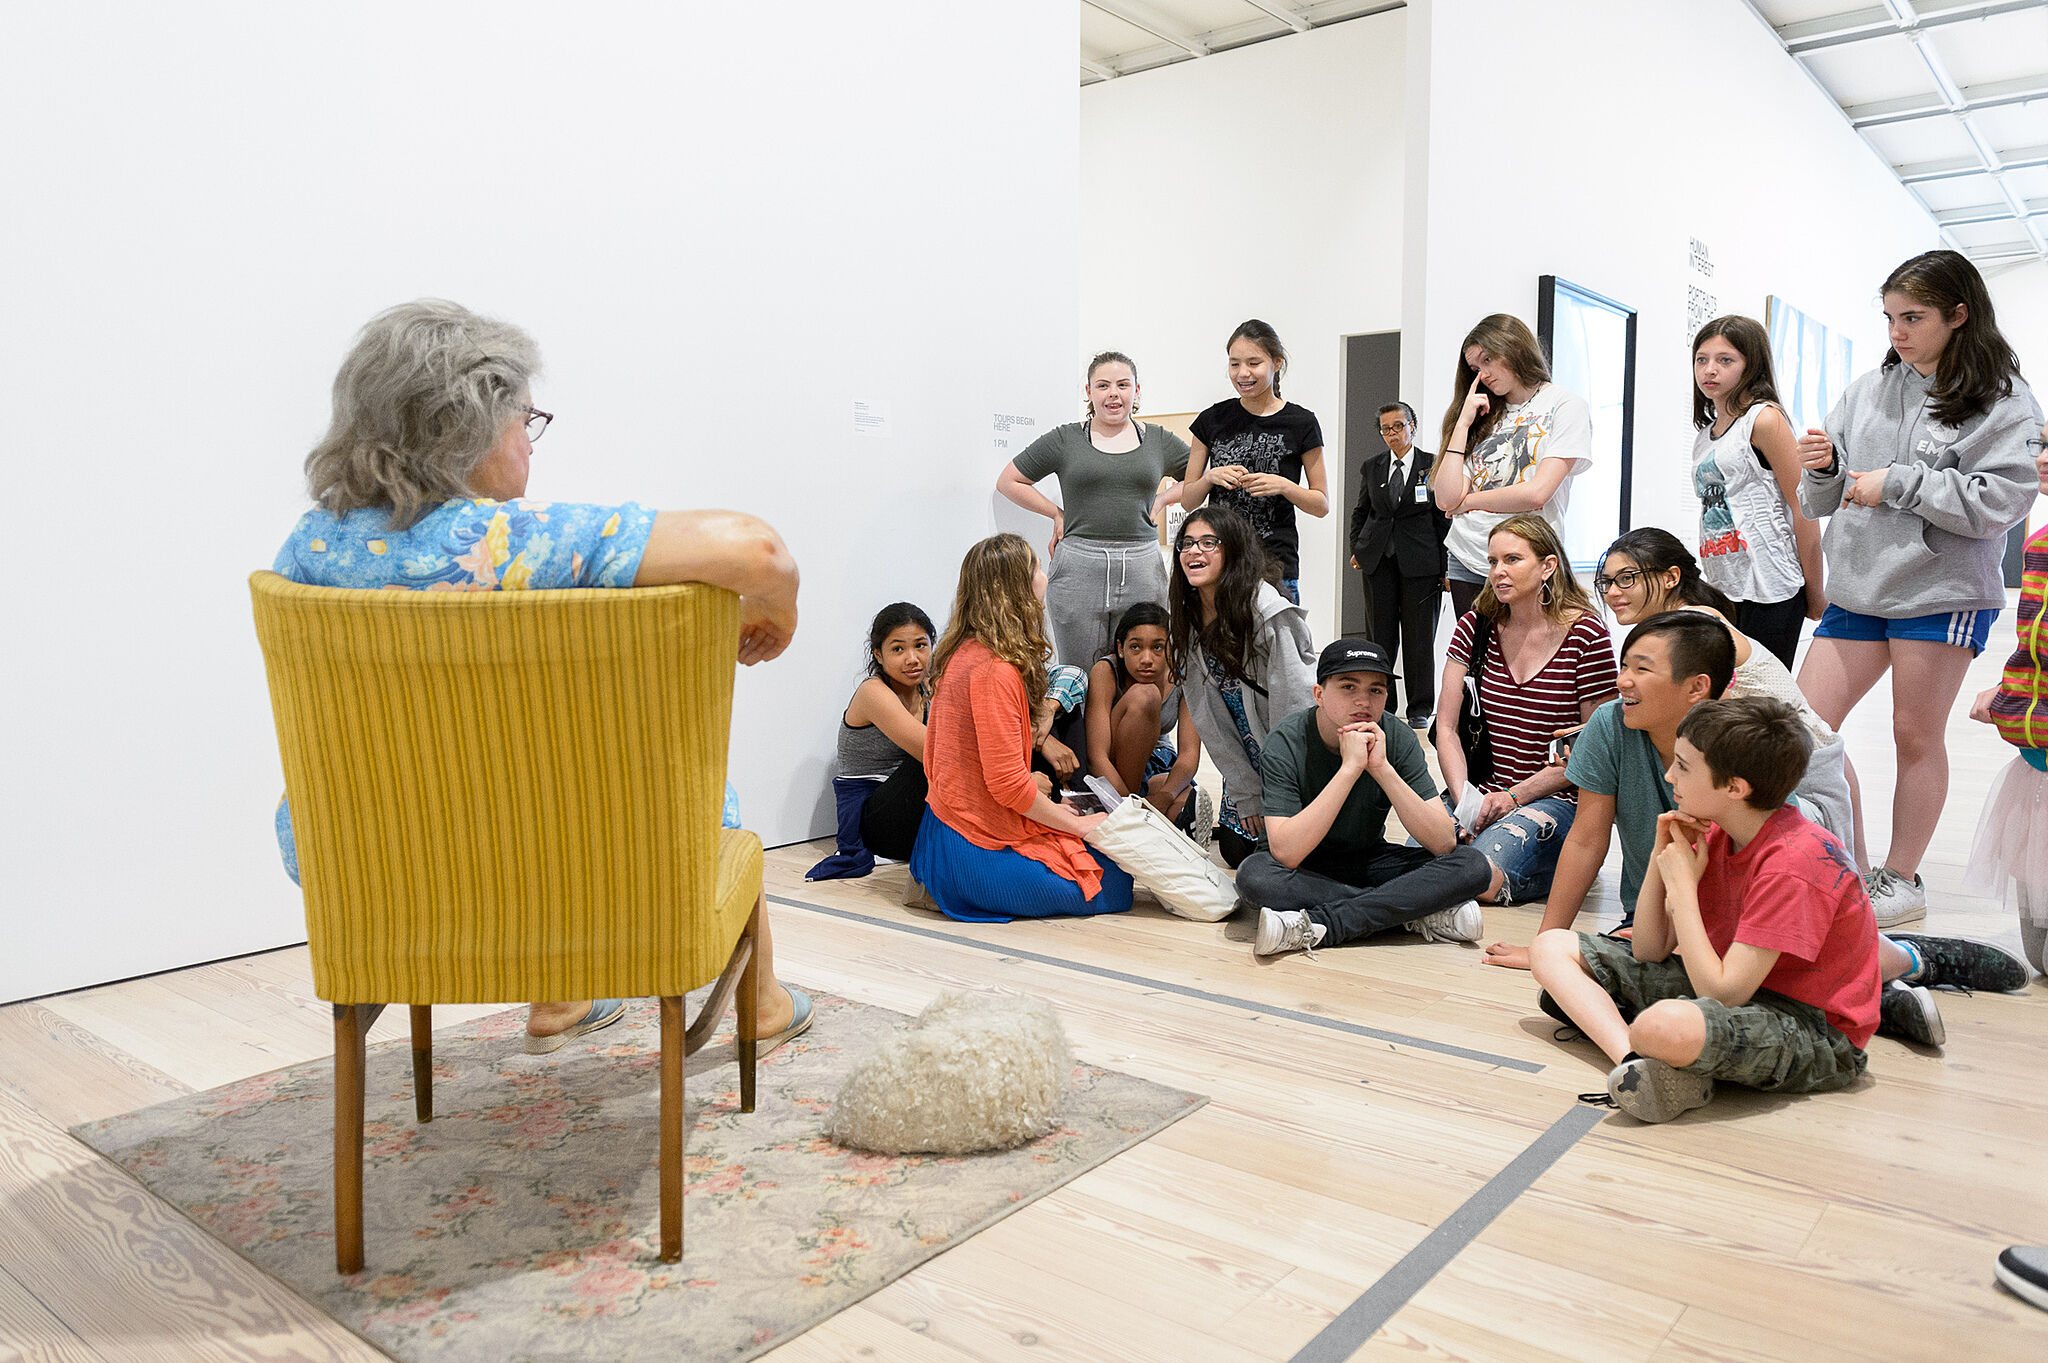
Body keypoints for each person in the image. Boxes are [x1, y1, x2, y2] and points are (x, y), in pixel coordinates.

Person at [271, 299, 809, 1054]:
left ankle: (559, 999)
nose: (530, 438)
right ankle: (763, 1003)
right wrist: (775, 620)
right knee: (665, 776)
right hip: (561, 860)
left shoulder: (310, 547)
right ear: (472, 424)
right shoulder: (516, 543)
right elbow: (760, 555)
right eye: (526, 419)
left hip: (372, 865)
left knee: (471, 755)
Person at [1499, 610, 2020, 1041]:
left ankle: (1901, 964)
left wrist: (1683, 901)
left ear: (1696, 687)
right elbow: (1588, 839)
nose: (1623, 681)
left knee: (1785, 969)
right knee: (1569, 995)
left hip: (1751, 919)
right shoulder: (1611, 726)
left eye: (1641, 668)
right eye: (1624, 665)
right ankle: (1873, 994)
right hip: (1678, 915)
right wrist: (1550, 937)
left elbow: (1772, 869)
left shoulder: (1738, 742)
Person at [1795, 249, 2042, 928]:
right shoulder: (1871, 389)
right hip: (1859, 586)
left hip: (1942, 592)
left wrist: (1897, 481)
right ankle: (1853, 868)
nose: (1897, 332)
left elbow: (2004, 500)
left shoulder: (2006, 400)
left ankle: (1901, 877)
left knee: (1914, 735)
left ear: (1959, 315)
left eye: (1913, 317)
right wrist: (1823, 470)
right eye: (1890, 317)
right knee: (1802, 728)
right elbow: (1823, 495)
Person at [1528, 697, 1880, 1123]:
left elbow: (1723, 993)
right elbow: (1647, 949)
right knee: (1550, 948)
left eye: (1684, 767)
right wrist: (1663, 857)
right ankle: (1636, 1062)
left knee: (1659, 1025)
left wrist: (1682, 890)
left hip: (1813, 1027)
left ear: (1734, 787)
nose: (1669, 775)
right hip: (1735, 988)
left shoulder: (1793, 861)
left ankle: (1652, 1052)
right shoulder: (1718, 827)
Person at [908, 534, 1134, 922]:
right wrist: (1075, 824)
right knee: (1115, 884)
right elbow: (1008, 784)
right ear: (1016, 588)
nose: (1044, 578)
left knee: (1099, 860)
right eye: (1037, 569)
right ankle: (950, 885)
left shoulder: (962, 653)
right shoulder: (995, 670)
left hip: (945, 828)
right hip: (970, 843)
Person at [1239, 640, 1494, 957]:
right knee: (1254, 877)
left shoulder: (1395, 737)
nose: (1364, 701)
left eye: (1377, 690)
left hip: (1367, 860)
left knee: (1473, 865)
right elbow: (1287, 852)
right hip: (1302, 869)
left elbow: (1442, 842)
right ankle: (1413, 911)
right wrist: (1349, 770)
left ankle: (1323, 924)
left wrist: (1382, 768)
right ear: (1319, 694)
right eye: (1348, 686)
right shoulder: (1286, 740)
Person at [1433, 515, 1617, 910]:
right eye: (1493, 561)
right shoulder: (1474, 625)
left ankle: (1563, 864)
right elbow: (1446, 728)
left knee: (1476, 874)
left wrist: (1514, 797)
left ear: (1547, 566)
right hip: (1480, 788)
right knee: (1421, 848)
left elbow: (1592, 748)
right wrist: (1466, 798)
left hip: (1557, 797)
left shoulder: (1586, 634)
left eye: (1512, 559)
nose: (1498, 572)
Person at [998, 351, 1189, 666]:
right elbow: (1010, 481)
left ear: (1136, 391)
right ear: (1089, 392)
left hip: (1142, 566)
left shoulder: (1159, 440)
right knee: (1080, 675)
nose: (1113, 393)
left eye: (1123, 384)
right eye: (1103, 385)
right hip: (1078, 566)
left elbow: (1204, 474)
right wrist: (1057, 514)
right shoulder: (1065, 439)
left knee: (1140, 673)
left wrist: (1164, 499)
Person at [1169, 507, 1318, 868]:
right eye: (1187, 544)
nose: (1194, 552)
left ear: (1232, 550)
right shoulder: (1187, 616)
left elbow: (1295, 706)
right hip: (1244, 753)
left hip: (1290, 751)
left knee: (1291, 853)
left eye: (1208, 543)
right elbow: (1209, 719)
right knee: (1238, 852)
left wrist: (1282, 786)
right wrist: (1247, 792)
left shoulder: (1267, 610)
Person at [1432, 315, 1595, 620]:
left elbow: (1537, 493)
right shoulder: (1484, 414)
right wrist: (1463, 423)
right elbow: (1444, 498)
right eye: (1476, 368)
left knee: (1525, 661)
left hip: (1527, 560)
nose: (1484, 373)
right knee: (1476, 662)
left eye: (1489, 358)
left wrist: (1467, 503)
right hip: (1466, 555)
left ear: (1515, 346)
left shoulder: (1564, 406)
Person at [1689, 315, 1826, 669]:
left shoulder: (1763, 419)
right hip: (1724, 585)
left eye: (1725, 360)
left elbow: (1802, 506)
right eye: (1701, 359)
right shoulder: (1704, 436)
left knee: (1762, 708)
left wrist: (1815, 590)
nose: (1710, 370)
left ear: (1751, 366)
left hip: (1772, 586)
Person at [1964, 417, 2048, 976]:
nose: (2042, 459)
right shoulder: (2039, 544)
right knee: (2038, 956)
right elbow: (2034, 639)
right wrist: (2007, 687)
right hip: (2038, 757)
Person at [1181, 320, 1328, 604]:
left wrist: (1284, 485)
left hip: (1275, 564)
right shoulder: (1210, 420)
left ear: (1276, 363)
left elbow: (1321, 504)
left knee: (1277, 646)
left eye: (1253, 363)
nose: (1243, 373)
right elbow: (1188, 500)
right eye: (1234, 364)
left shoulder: (1302, 423)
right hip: (1219, 563)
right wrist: (1210, 477)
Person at [808, 603, 934, 878]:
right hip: (872, 825)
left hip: (908, 808)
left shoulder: (928, 686)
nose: (912, 658)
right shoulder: (872, 692)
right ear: (878, 654)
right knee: (933, 761)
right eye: (898, 649)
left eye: (921, 645)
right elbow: (937, 753)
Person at [1348, 401, 1451, 728]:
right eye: (1386, 429)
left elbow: (1444, 518)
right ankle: (1384, 704)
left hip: (1421, 564)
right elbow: (1361, 512)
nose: (1392, 434)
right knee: (1380, 637)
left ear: (1412, 426)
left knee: (1420, 638)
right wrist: (1358, 548)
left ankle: (1419, 708)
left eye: (1398, 426)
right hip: (1379, 562)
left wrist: (1446, 566)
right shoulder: (1372, 466)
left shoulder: (1431, 466)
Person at [1083, 602, 1202, 828]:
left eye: (1157, 648)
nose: (1146, 659)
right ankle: (1135, 822)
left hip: (1158, 763)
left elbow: (1188, 755)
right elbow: (1096, 756)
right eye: (1135, 647)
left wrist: (1165, 796)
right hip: (1113, 771)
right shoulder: (1106, 670)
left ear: (1170, 648)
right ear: (1121, 648)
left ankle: (1164, 823)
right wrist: (1128, 808)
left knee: (1184, 801)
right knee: (1145, 694)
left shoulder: (1183, 677)